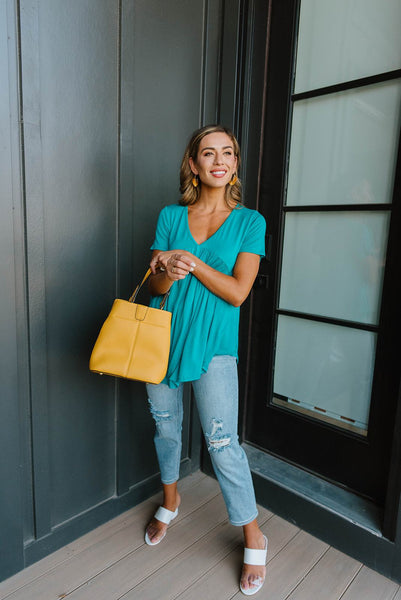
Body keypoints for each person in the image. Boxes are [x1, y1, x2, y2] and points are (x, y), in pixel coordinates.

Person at [145, 124, 267, 595]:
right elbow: (154, 288)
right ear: (193, 164)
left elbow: (237, 293)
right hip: (162, 338)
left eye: (228, 153)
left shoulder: (249, 222)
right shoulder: (170, 218)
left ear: (234, 164)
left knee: (221, 442)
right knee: (165, 425)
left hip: (214, 344)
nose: (219, 160)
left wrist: (191, 263)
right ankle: (170, 501)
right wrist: (167, 271)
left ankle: (253, 535)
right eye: (208, 153)